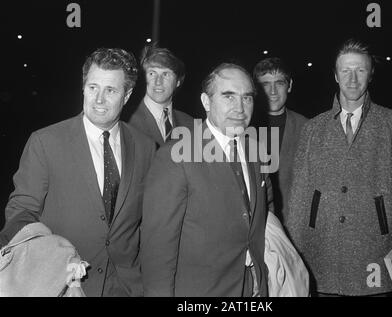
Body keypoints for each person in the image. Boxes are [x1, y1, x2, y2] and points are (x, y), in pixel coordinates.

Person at [0, 48, 156, 296]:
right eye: (93, 87)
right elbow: (21, 212)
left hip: (126, 287)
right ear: (83, 87)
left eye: (111, 90)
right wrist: (55, 254)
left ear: (126, 96)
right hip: (61, 286)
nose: (99, 99)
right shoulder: (45, 142)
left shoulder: (146, 147)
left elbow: (148, 220)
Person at [285, 39, 392, 296]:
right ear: (335, 76)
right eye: (346, 70)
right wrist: (292, 250)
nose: (353, 78)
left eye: (360, 70)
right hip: (321, 251)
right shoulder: (313, 128)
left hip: (376, 251)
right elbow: (299, 196)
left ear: (371, 75)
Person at [140, 63, 273, 297]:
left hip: (253, 288)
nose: (240, 108)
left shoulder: (257, 151)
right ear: (206, 102)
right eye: (228, 97)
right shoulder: (176, 156)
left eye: (247, 98)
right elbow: (157, 250)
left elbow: (263, 216)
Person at [252, 57, 308, 224]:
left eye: (279, 83)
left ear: (289, 86)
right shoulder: (239, 128)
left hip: (294, 227)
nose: (273, 91)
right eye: (265, 84)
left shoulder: (308, 128)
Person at [126, 45, 193, 148]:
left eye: (166, 74)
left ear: (178, 82)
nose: (158, 82)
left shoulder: (190, 124)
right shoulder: (127, 121)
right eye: (152, 73)